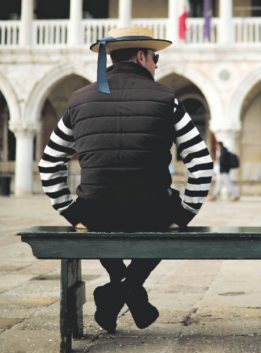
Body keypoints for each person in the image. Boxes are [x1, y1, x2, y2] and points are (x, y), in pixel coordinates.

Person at [38, 26, 213, 333]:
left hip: (96, 211)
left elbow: (49, 162)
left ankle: (117, 291)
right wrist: (184, 214)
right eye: (155, 57)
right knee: (164, 216)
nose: (157, 64)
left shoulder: (79, 100)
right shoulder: (166, 98)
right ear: (141, 56)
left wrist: (71, 212)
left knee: (99, 209)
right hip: (152, 211)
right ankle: (125, 290)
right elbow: (201, 162)